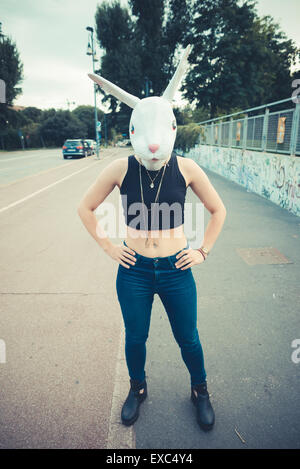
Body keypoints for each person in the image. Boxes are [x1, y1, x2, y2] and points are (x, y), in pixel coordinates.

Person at [77, 45, 227, 431]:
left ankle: (200, 390)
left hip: (177, 269)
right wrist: (110, 247)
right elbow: (85, 208)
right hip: (135, 271)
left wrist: (203, 251)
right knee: (136, 337)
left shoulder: (187, 168)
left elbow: (218, 211)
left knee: (188, 339)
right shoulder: (120, 167)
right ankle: (137, 388)